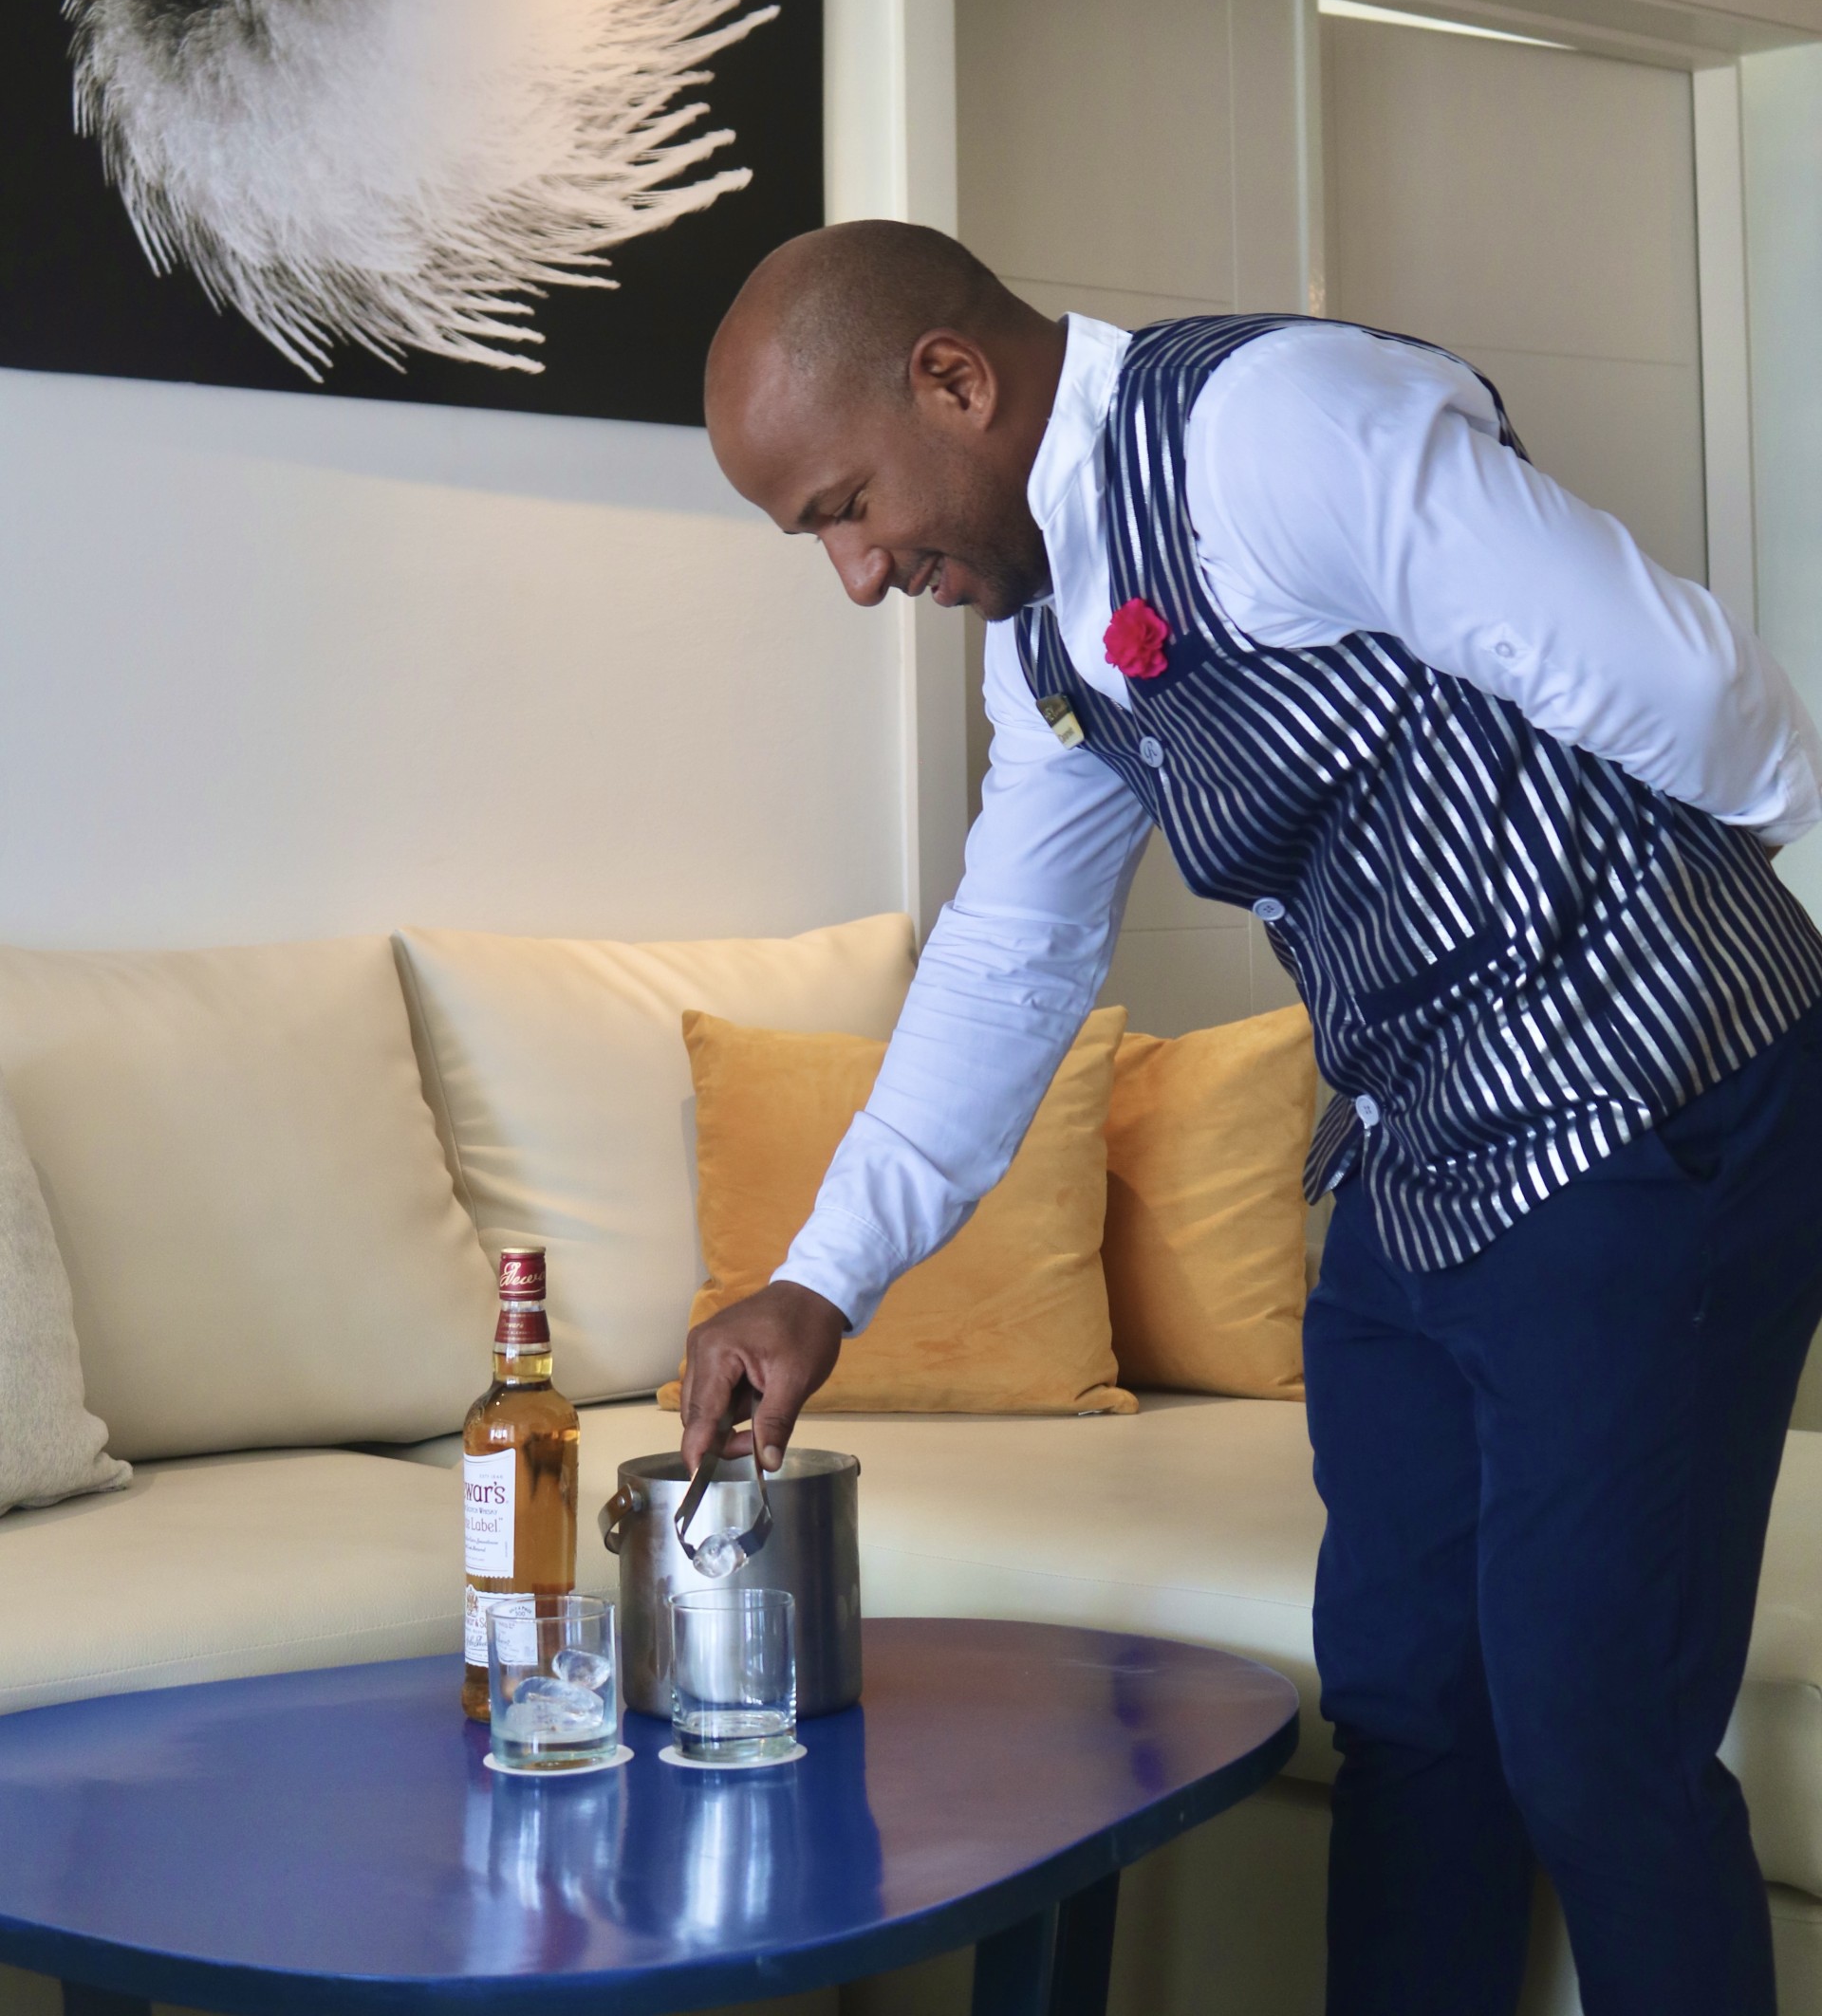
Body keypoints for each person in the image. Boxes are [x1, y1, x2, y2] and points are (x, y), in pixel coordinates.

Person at [685, 217, 1822, 2016]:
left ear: (955, 381)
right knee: (1410, 1716)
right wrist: (820, 1281)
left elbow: (1700, 692)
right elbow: (1010, 965)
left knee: (1594, 1737)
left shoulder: (1271, 434)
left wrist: (1659, 938)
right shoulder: (1046, 630)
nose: (853, 568)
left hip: (1649, 1117)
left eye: (841, 505)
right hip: (1418, 1154)